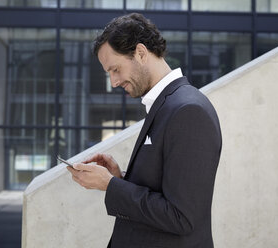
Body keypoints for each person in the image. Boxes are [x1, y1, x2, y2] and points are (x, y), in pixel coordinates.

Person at [67, 13, 222, 248]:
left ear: (140, 53)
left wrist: (111, 185)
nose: (113, 82)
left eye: (116, 69)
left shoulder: (188, 110)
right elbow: (165, 188)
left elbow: (182, 216)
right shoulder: (168, 105)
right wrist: (120, 178)